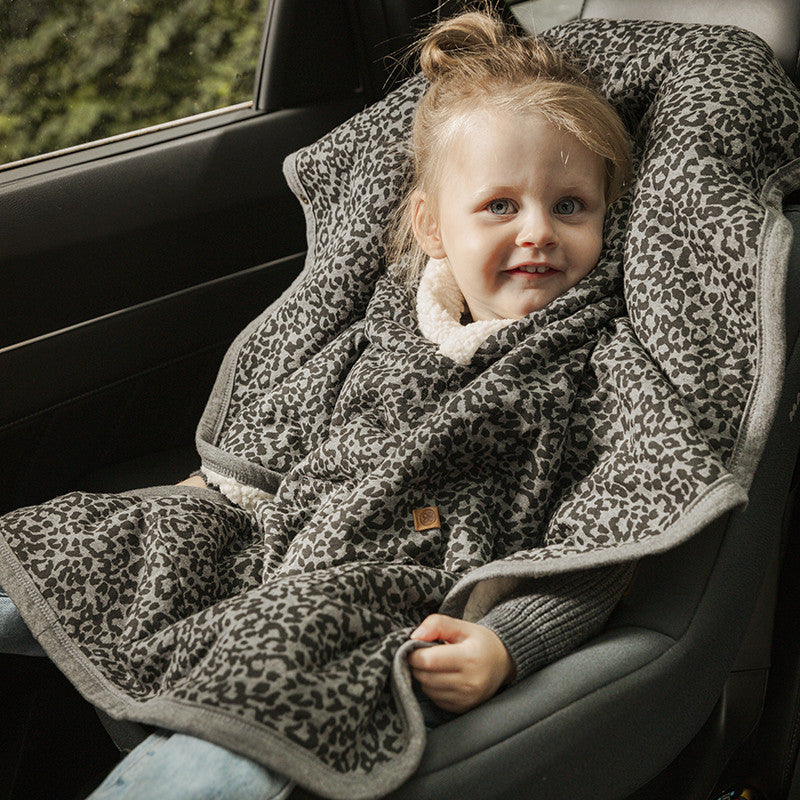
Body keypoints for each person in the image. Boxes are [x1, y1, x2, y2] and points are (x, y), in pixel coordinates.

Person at [0, 9, 632, 800]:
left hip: (393, 600)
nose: (538, 231)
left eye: (570, 206)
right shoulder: (391, 321)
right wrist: (212, 493)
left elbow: (607, 539)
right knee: (90, 544)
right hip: (279, 537)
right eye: (501, 206)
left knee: (259, 690)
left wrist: (508, 642)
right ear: (433, 227)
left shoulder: (590, 365)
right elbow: (292, 426)